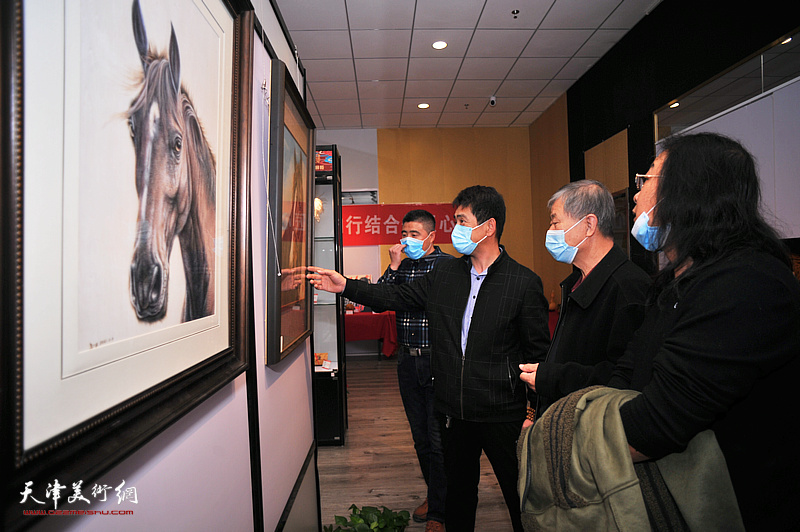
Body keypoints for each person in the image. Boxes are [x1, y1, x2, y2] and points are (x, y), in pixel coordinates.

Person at [309, 186, 550, 532]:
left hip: (502, 413)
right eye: (455, 221)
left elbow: (537, 356)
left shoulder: (523, 283)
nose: (456, 230)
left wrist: (532, 413)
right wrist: (346, 285)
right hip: (454, 412)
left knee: (520, 498)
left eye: (462, 221)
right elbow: (394, 294)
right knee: (459, 497)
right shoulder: (445, 275)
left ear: (489, 226)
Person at [606, 132, 800, 530]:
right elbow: (629, 374)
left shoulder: (746, 284)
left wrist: (567, 436)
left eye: (648, 180)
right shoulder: (677, 282)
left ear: (687, 191)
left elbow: (653, 427)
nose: (638, 197)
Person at [519, 180, 651, 420]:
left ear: (589, 224)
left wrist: (553, 378)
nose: (551, 231)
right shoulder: (577, 281)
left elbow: (624, 379)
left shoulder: (628, 287)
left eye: (555, 222)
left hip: (595, 431)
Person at [375, 209, 452, 527]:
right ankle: (436, 496)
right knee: (420, 438)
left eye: (415, 234)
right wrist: (393, 266)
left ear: (432, 236)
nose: (407, 240)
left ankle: (439, 510)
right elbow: (379, 300)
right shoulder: (402, 265)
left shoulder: (448, 266)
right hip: (408, 360)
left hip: (438, 360)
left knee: (438, 440)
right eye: (404, 233)